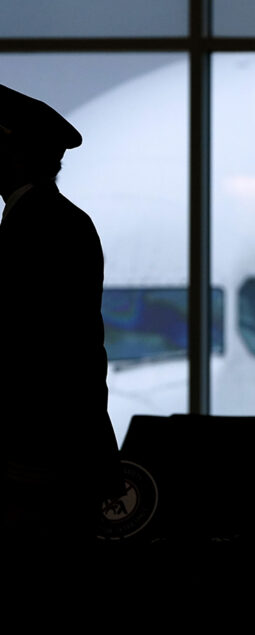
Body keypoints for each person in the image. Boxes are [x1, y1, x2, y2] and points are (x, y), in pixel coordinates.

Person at [0, 85, 122, 566]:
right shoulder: (49, 220)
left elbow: (44, 348)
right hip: (56, 453)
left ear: (12, 150)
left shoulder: (41, 227)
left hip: (40, 458)